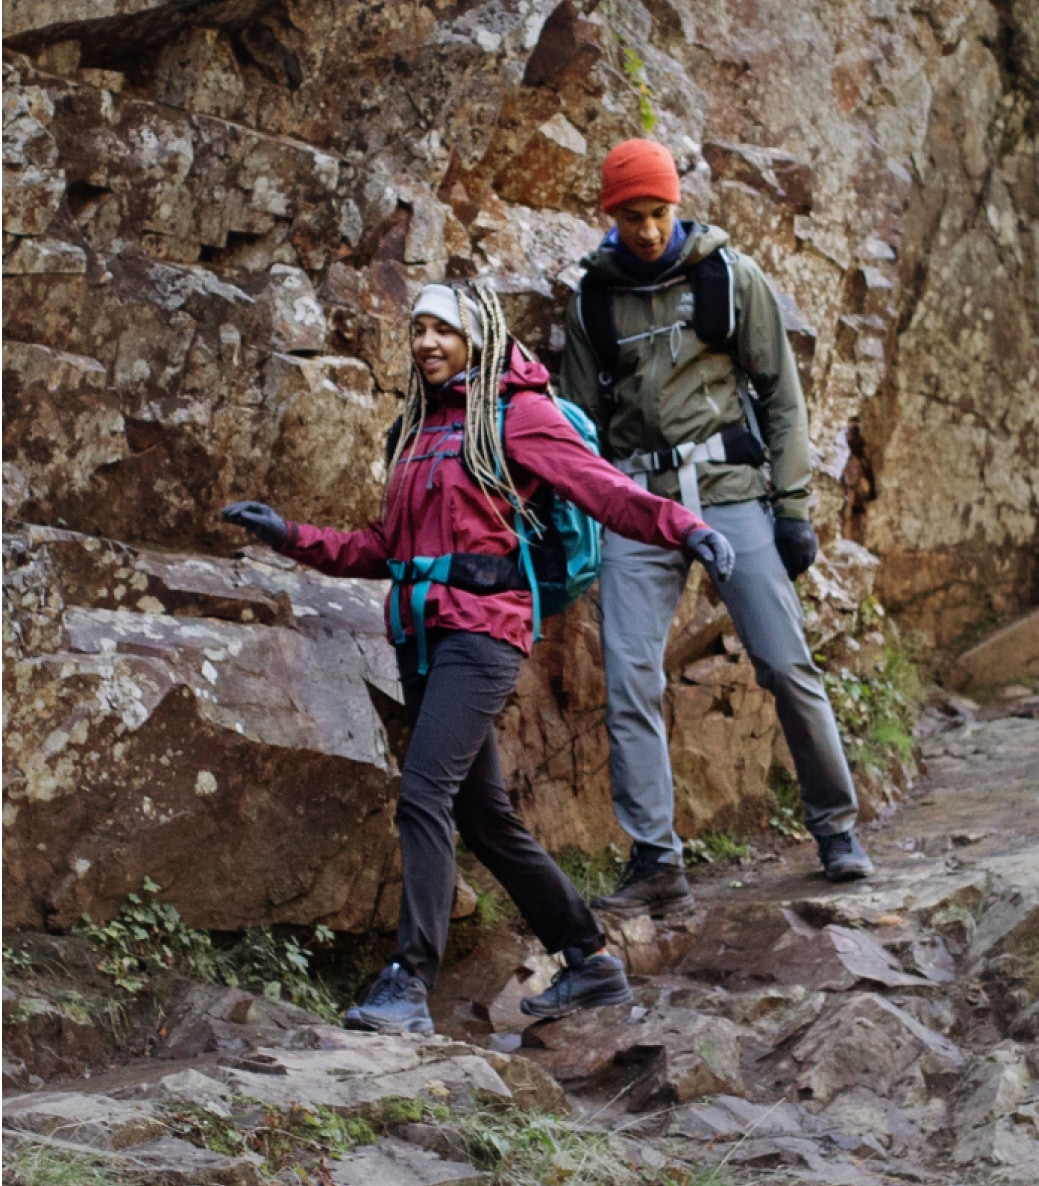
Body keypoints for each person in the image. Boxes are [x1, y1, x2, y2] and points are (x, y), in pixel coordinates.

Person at [222, 280, 735, 1036]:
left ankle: (408, 983)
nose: (428, 342)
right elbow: (385, 548)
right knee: (482, 815)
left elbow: (603, 491)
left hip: (484, 633)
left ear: (479, 338)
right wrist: (291, 537)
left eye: (445, 331)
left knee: (423, 793)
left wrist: (683, 528)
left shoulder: (516, 415)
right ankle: (589, 960)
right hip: (422, 637)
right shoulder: (418, 427)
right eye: (420, 329)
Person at [560, 138, 874, 916]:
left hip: (731, 492)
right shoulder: (590, 302)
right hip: (638, 501)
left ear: (677, 205)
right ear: (609, 215)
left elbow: (781, 397)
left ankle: (835, 829)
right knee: (629, 678)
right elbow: (576, 432)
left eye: (657, 213)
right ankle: (656, 858)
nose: (644, 230)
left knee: (784, 663)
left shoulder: (727, 276)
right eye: (629, 216)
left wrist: (793, 510)